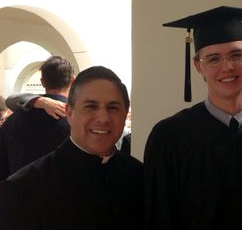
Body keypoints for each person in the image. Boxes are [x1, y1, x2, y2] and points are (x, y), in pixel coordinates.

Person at [144, 6, 242, 230]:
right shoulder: (170, 137)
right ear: (198, 67)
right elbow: (159, 216)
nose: (227, 67)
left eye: (236, 54)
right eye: (213, 59)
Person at [0, 66, 143, 230]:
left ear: (125, 115)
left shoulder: (139, 176)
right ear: (69, 113)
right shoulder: (22, 189)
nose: (103, 118)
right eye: (90, 106)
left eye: (113, 108)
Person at [0, 56, 74, 180]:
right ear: (72, 81)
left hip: (19, 194)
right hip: (65, 196)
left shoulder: (12, 121)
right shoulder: (77, 120)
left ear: (42, 81)